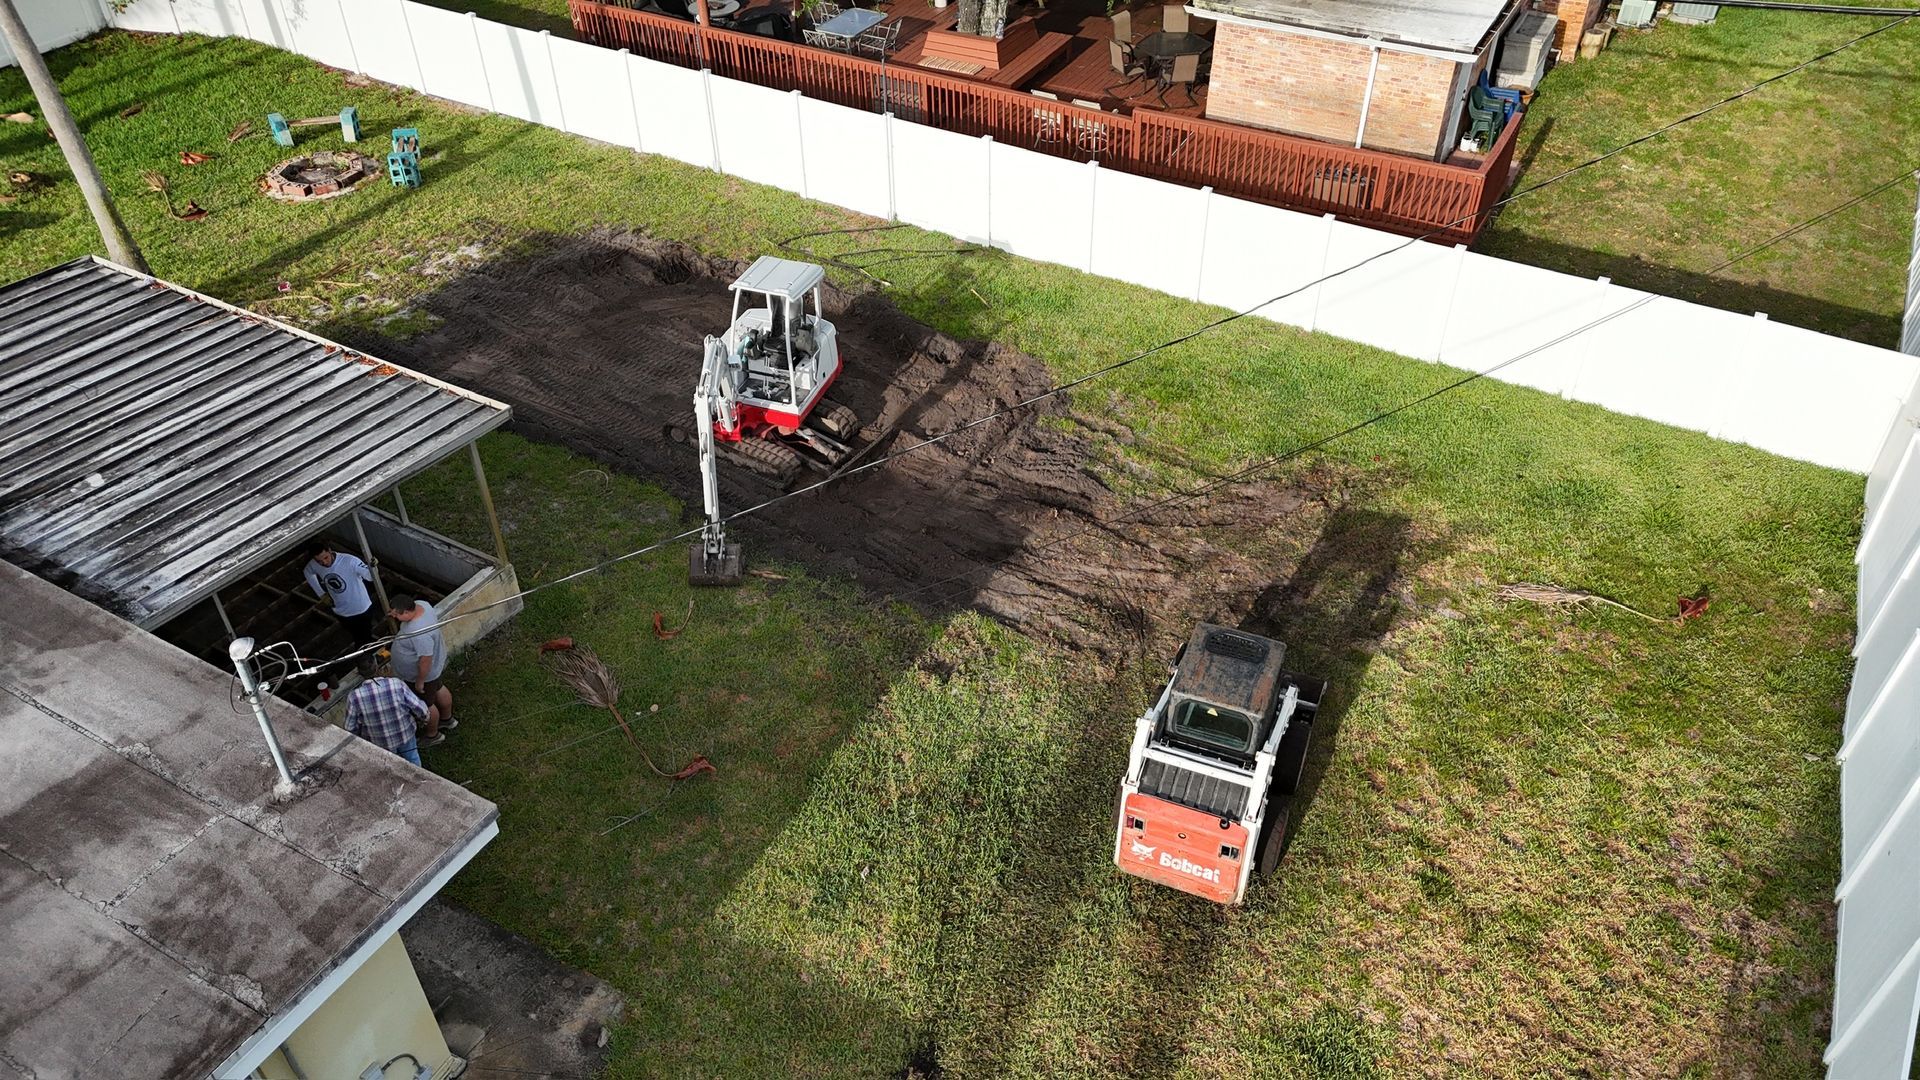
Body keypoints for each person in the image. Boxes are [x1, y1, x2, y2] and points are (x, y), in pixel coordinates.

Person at [389, 593, 457, 747]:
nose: (394, 616)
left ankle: (433, 735)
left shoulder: (418, 633)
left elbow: (425, 659)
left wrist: (420, 681)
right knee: (438, 687)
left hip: (424, 674)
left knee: (426, 705)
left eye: (396, 614)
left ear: (406, 612)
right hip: (434, 669)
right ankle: (447, 720)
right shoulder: (422, 604)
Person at [344, 658, 428, 765]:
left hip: (379, 742)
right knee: (412, 758)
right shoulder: (396, 684)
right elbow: (420, 708)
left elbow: (349, 728)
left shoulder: (354, 697)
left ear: (358, 672)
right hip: (405, 734)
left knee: (389, 765)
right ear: (376, 667)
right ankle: (418, 778)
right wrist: (424, 719)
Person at [303, 542, 379, 645]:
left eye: (326, 557)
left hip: (361, 609)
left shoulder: (350, 561)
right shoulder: (314, 564)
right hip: (341, 612)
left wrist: (373, 567)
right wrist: (321, 594)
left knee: (364, 637)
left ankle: (366, 653)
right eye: (319, 561)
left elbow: (370, 577)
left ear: (329, 550)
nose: (324, 563)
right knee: (357, 635)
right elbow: (307, 572)